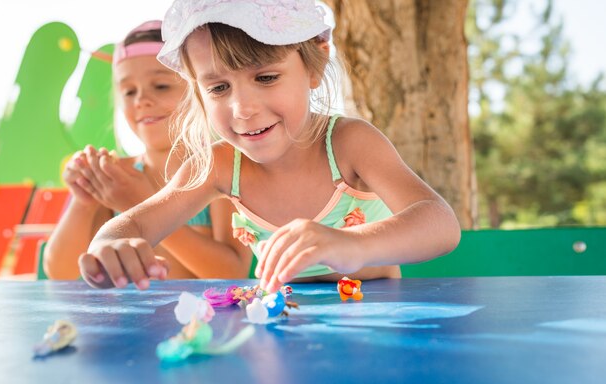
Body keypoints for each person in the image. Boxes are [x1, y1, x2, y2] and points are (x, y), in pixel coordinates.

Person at [78, 0, 461, 293]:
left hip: (373, 322)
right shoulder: (221, 166)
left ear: (314, 66)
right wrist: (110, 245)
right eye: (219, 88)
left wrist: (351, 245)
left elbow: (440, 223)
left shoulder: (348, 144)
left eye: (265, 77)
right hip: (278, 329)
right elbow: (136, 222)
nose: (243, 108)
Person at [44, 20, 252, 284]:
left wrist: (138, 204)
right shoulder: (114, 177)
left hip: (200, 323)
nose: (141, 100)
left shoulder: (218, 171)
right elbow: (60, 273)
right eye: (129, 91)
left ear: (199, 90)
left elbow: (231, 273)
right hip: (130, 323)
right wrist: (82, 202)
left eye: (161, 86)